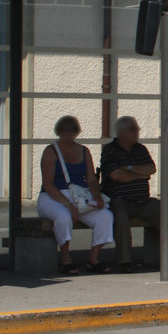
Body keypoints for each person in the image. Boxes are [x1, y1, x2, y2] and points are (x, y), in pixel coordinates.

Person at [100, 116, 168, 271]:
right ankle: (124, 261)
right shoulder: (110, 150)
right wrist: (139, 174)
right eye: (133, 129)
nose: (137, 132)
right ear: (121, 132)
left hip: (143, 201)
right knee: (120, 217)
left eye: (137, 129)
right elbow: (115, 175)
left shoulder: (140, 149)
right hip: (119, 200)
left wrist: (127, 168)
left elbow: (151, 169)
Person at [36, 115, 114, 274]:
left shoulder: (84, 151)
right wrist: (68, 205)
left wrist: (97, 197)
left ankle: (94, 259)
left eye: (72, 129)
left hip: (80, 196)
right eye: (65, 130)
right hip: (52, 197)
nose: (69, 133)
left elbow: (91, 179)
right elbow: (48, 184)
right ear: (59, 131)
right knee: (63, 216)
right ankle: (66, 259)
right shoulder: (50, 152)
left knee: (105, 215)